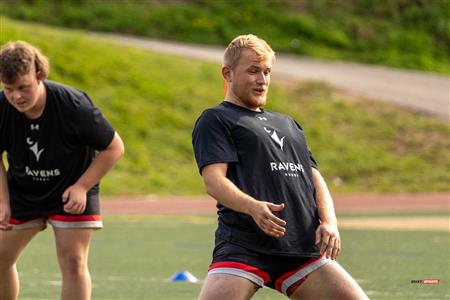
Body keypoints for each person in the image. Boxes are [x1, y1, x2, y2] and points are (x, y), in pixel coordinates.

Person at [192, 34, 368, 299]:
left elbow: (314, 179)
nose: (262, 80)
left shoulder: (288, 124)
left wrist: (330, 221)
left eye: (267, 72)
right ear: (227, 73)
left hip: (301, 249)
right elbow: (214, 181)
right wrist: (253, 207)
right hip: (245, 246)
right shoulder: (216, 119)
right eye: (253, 71)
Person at [0, 41, 124, 300]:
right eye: (9, 89)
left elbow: (114, 147)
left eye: (23, 87)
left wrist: (82, 187)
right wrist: (2, 200)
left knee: (73, 261)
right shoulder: (2, 106)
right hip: (23, 191)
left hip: (72, 190)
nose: (16, 96)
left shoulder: (72, 104)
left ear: (39, 75)